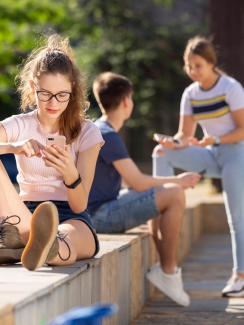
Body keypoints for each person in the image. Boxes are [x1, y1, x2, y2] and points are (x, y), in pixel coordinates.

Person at [0, 34, 104, 271]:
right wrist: (12, 146)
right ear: (33, 87)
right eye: (45, 94)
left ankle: (46, 245)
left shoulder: (88, 132)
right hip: (25, 214)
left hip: (72, 218)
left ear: (73, 90)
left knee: (64, 239)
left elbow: (79, 204)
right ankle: (14, 235)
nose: (53, 102)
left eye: (62, 95)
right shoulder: (19, 124)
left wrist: (70, 173)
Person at [153, 36, 244, 297]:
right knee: (162, 152)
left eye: (198, 65)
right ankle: (158, 205)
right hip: (212, 152)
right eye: (189, 66)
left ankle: (241, 277)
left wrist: (218, 139)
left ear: (211, 63)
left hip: (240, 155)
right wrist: (172, 142)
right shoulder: (190, 94)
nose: (193, 71)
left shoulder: (230, 87)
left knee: (236, 217)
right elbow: (184, 135)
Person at [87, 72, 201, 307]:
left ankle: (165, 269)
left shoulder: (99, 129)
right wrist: (178, 181)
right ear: (126, 101)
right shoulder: (107, 134)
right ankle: (168, 272)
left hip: (95, 212)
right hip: (100, 216)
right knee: (174, 194)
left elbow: (131, 182)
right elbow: (138, 183)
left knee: (163, 193)